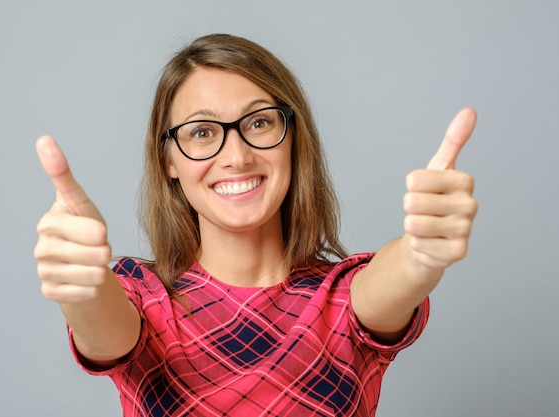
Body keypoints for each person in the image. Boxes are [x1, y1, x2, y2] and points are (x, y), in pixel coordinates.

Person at [34, 33, 478, 417]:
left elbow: (389, 282)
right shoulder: (143, 298)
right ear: (168, 159)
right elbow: (104, 327)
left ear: (292, 139)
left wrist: (421, 253)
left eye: (260, 122)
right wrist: (84, 285)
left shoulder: (341, 299)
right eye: (202, 132)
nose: (237, 156)